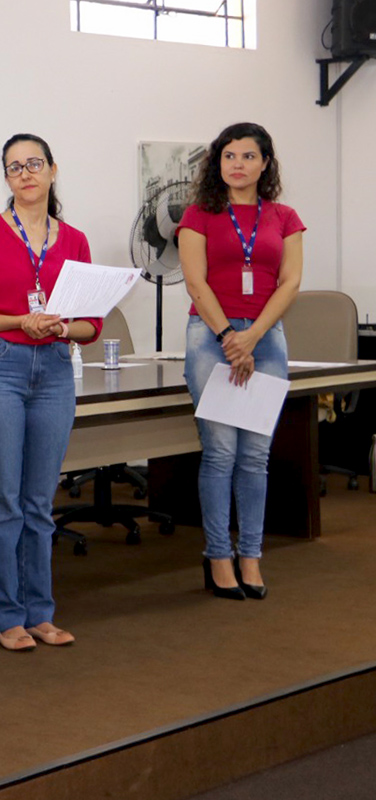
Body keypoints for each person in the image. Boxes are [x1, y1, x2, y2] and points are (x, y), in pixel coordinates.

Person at [0, 133, 102, 653]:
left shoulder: (75, 240)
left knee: (39, 502)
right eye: (14, 168)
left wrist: (60, 329)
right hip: (1, 369)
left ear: (53, 171)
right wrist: (21, 320)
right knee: (4, 500)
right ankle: (4, 615)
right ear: (7, 179)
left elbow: (92, 325)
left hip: (56, 370)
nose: (25, 174)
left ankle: (41, 612)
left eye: (34, 164)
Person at [176, 122, 304, 601]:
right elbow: (195, 283)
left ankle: (251, 553)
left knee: (255, 456)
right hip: (211, 336)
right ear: (218, 162)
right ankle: (218, 555)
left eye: (248, 156)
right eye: (229, 156)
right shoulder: (198, 215)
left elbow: (289, 283)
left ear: (264, 163)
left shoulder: (285, 217)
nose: (238, 164)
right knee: (221, 452)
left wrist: (252, 336)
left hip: (266, 336)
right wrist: (231, 336)